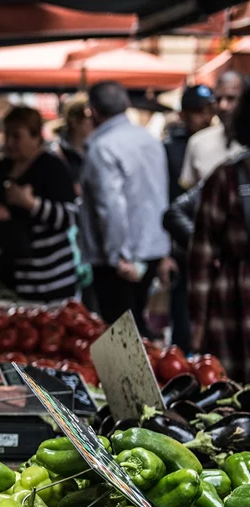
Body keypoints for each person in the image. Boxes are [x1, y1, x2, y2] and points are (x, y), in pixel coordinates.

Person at [0, 106, 80, 302]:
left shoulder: (52, 168)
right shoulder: (1, 168)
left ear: (35, 136)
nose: (9, 142)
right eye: (6, 135)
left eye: (16, 136)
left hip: (48, 285)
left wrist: (31, 204)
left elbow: (70, 217)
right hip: (6, 281)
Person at [78, 81, 171, 336]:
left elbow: (111, 206)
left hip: (119, 257)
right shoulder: (149, 140)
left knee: (121, 335)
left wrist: (118, 255)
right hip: (150, 249)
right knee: (136, 329)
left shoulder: (103, 147)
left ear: (92, 111)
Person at [188, 77, 250, 383]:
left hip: (232, 302)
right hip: (233, 303)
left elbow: (201, 257)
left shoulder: (227, 177)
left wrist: (198, 325)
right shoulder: (225, 177)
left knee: (233, 396)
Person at [163, 85, 216, 352]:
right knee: (184, 325)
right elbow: (169, 205)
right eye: (197, 111)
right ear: (183, 114)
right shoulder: (170, 149)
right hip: (184, 249)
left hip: (215, 250)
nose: (204, 116)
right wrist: (166, 253)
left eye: (208, 110)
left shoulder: (223, 143)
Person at [181, 71, 248, 189]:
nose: (223, 106)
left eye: (231, 98)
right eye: (218, 99)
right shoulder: (198, 142)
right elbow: (189, 192)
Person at [51, 93, 92, 183]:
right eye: (90, 117)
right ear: (74, 121)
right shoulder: (55, 153)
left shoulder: (95, 150)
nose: (94, 122)